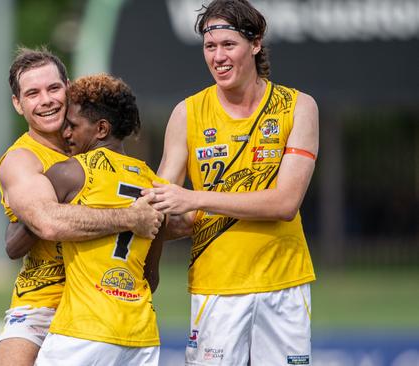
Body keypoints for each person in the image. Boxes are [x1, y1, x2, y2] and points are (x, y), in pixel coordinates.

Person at [143, 0, 319, 364]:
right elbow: (162, 203)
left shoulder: (298, 107)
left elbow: (285, 203)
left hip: (284, 284)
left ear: (255, 44)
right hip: (215, 289)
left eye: (228, 45)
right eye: (210, 47)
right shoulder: (187, 113)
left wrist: (194, 200)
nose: (218, 57)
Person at [0, 47, 163, 366]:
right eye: (32, 93)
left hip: (105, 305)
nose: (46, 99)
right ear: (18, 104)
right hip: (41, 304)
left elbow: (171, 224)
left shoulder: (100, 150)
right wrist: (131, 217)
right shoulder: (22, 159)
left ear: (67, 88)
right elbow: (42, 226)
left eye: (53, 88)